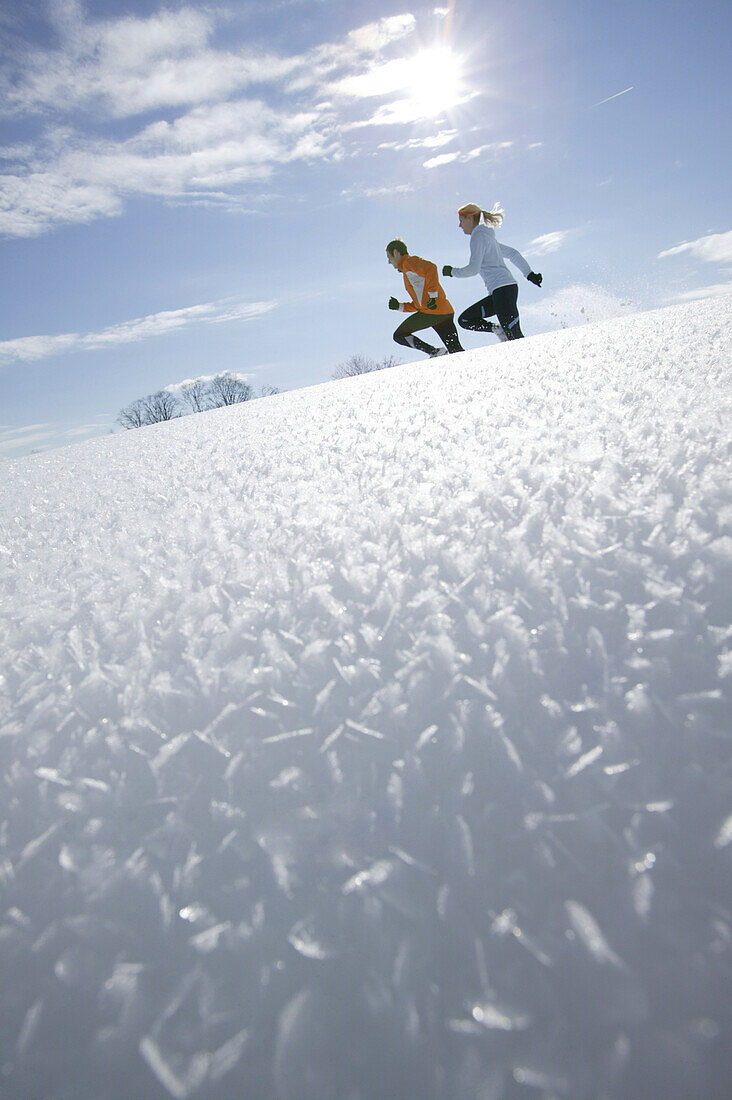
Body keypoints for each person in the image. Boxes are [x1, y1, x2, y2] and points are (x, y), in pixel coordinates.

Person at [442, 203, 542, 341]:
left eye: (461, 220)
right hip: (500, 291)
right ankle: (498, 330)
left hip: (503, 290)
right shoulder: (487, 238)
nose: (460, 225)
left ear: (469, 218)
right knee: (465, 320)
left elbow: (473, 269)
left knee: (516, 338)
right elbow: (513, 253)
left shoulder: (478, 237)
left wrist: (453, 272)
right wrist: (529, 274)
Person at [386, 239, 464, 357]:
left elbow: (431, 268)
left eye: (389, 257)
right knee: (456, 351)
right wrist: (399, 306)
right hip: (444, 312)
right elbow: (420, 304)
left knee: (399, 335)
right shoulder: (408, 270)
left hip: (432, 313)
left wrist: (433, 297)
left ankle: (434, 352)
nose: (389, 262)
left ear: (396, 253)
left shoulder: (408, 263)